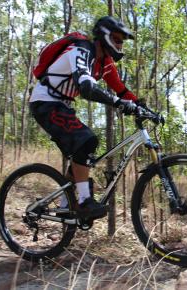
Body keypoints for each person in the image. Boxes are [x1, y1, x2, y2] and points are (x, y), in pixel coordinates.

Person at [29, 16, 138, 219]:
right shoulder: (81, 49)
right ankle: (84, 202)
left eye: (122, 41)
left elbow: (122, 90)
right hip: (45, 102)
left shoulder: (104, 63)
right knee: (87, 140)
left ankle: (66, 209)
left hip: (61, 105)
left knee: (81, 155)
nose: (119, 44)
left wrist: (143, 107)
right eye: (116, 38)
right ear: (104, 36)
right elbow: (86, 88)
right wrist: (119, 103)